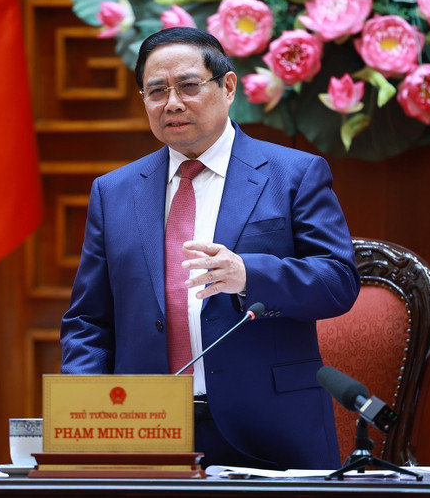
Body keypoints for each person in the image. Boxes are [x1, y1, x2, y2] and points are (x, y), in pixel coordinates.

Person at [60, 27, 360, 470]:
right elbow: (88, 320)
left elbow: (339, 281)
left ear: (228, 86)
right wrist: (91, 413)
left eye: (188, 85)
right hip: (147, 431)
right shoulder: (114, 191)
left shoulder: (292, 173)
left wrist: (249, 274)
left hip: (270, 430)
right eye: (156, 91)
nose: (172, 103)